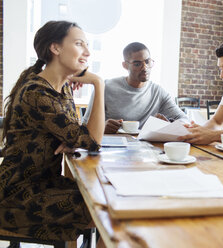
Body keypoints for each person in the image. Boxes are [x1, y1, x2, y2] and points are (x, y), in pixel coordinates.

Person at [0, 21, 106, 245]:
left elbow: (80, 136)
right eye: (79, 44)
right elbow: (93, 140)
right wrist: (98, 84)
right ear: (55, 48)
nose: (87, 52)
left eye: (87, 45)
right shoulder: (37, 93)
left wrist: (73, 141)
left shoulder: (61, 87)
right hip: (16, 196)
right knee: (104, 208)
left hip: (43, 184)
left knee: (105, 195)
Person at [82, 42, 188, 133]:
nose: (145, 67)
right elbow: (85, 125)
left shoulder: (157, 92)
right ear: (125, 65)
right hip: (113, 148)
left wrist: (170, 124)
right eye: (137, 64)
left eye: (147, 61)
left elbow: (185, 120)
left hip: (146, 150)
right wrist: (101, 127)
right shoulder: (106, 87)